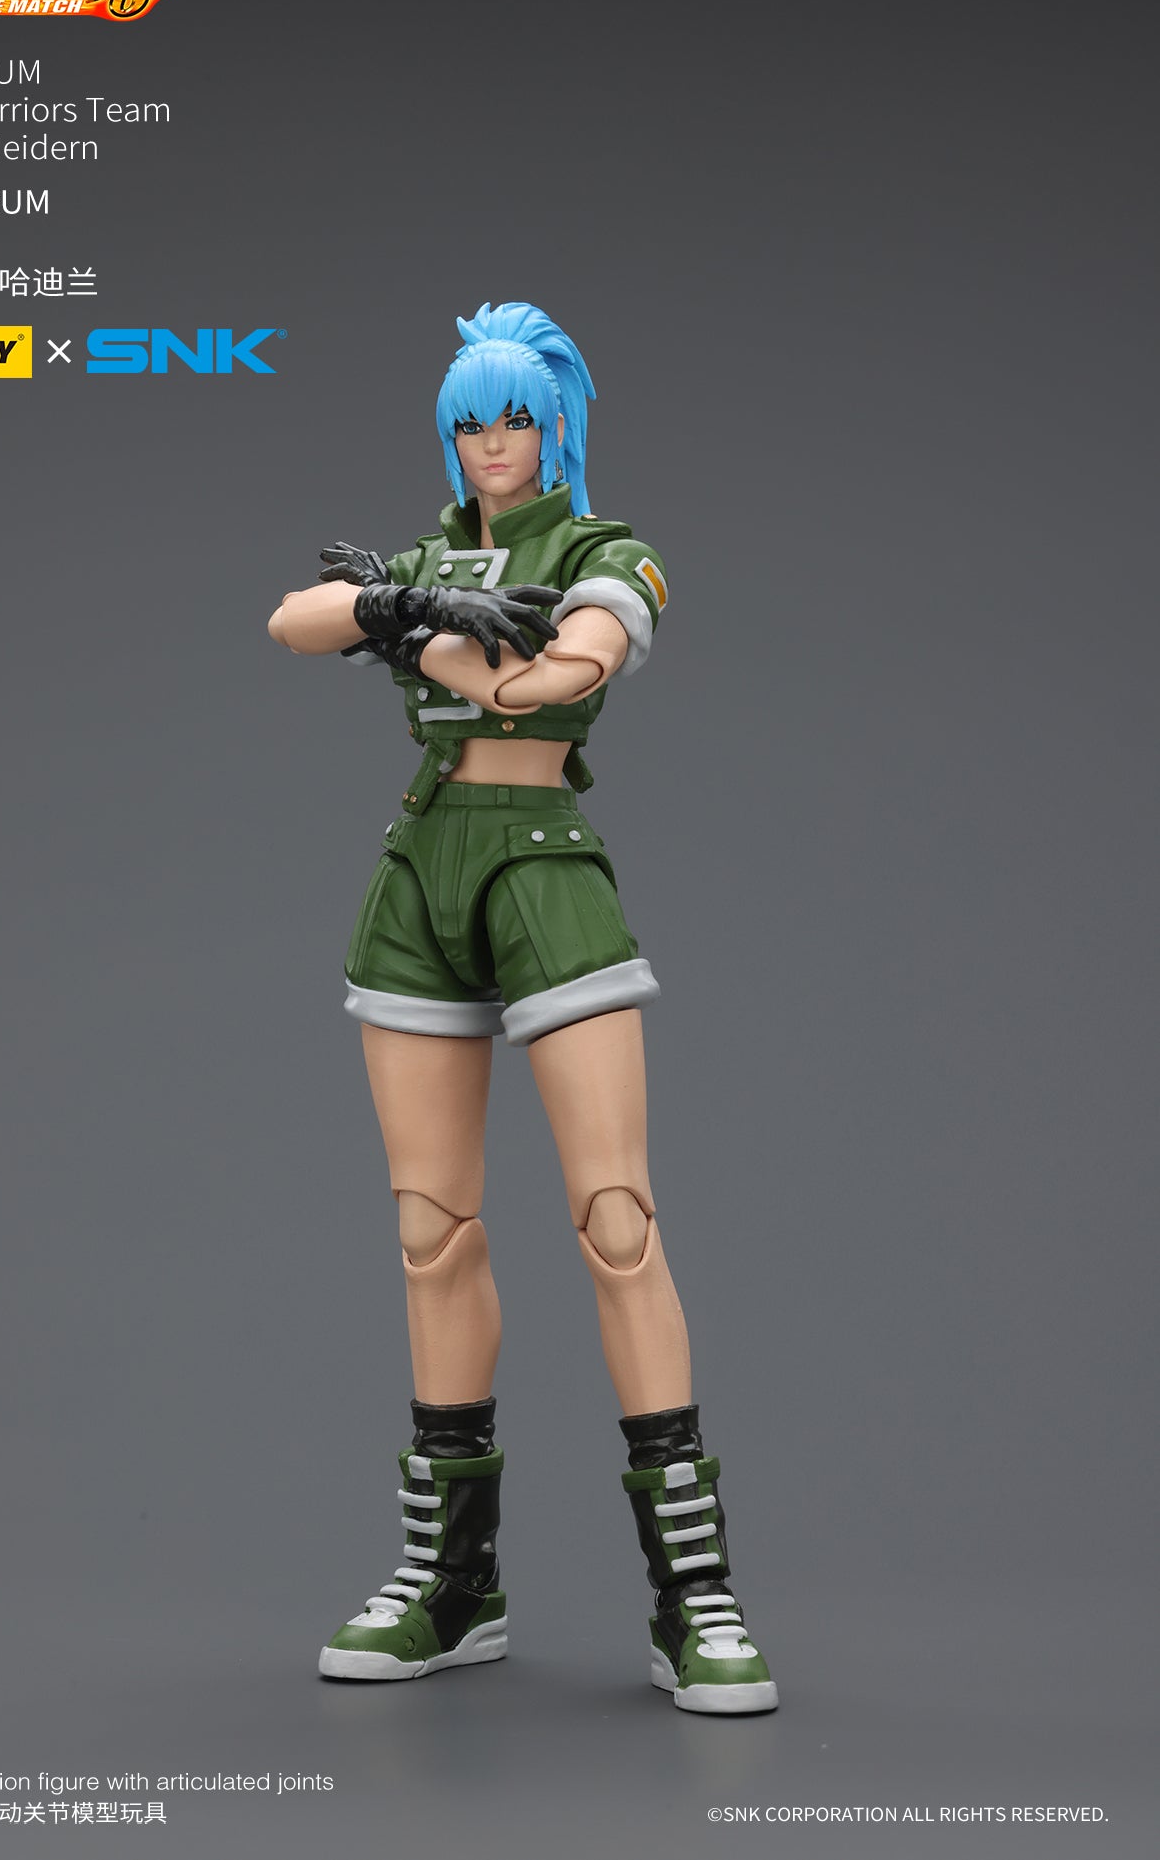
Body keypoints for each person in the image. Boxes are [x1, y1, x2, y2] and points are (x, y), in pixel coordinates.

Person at [267, 302, 777, 1713]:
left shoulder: (607, 552)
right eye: (469, 422)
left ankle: (694, 1592)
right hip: (420, 872)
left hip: (545, 869)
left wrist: (406, 633)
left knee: (617, 1220)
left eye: (515, 418)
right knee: (430, 1231)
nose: (493, 443)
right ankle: (453, 1584)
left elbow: (556, 681)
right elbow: (292, 616)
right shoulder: (430, 558)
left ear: (556, 427)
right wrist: (405, 607)